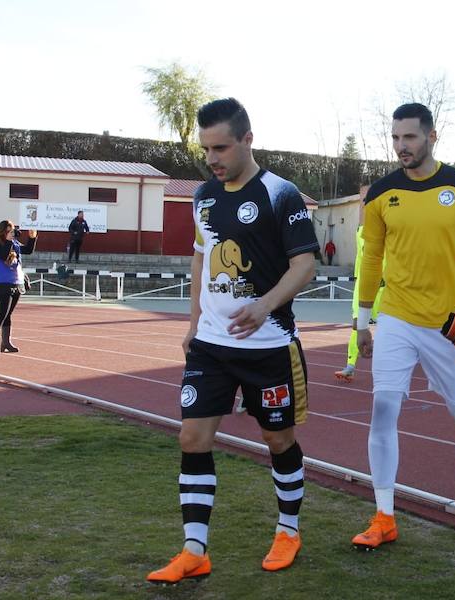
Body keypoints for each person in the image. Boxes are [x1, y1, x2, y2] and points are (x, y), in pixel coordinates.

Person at [146, 98, 319, 583]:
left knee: (278, 439)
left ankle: (288, 529)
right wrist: (194, 321)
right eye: (206, 149)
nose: (212, 158)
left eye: (220, 147)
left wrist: (264, 305)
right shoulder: (203, 195)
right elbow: (202, 259)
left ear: (247, 139)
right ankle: (194, 550)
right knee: (192, 437)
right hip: (211, 346)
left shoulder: (281, 193)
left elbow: (305, 264)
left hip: (270, 346)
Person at [352, 103, 455, 549]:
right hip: (396, 315)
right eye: (396, 138)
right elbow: (372, 260)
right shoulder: (381, 193)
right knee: (383, 410)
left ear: (432, 137)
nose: (401, 146)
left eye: (410, 138)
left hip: (450, 324)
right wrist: (363, 322)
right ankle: (384, 516)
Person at [334, 207, 384, 383]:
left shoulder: (395, 233)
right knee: (357, 325)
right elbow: (361, 260)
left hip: (387, 290)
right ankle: (350, 366)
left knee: (390, 328)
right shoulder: (360, 232)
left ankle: (392, 365)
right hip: (363, 287)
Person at [0, 222, 37, 353]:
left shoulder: (14, 243)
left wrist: (32, 238)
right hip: (3, 280)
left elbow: (27, 250)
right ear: (2, 231)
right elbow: (3, 255)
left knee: (8, 314)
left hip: (16, 280)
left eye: (12, 230)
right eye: (8, 231)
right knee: (2, 312)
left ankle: (6, 342)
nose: (12, 233)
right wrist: (9, 240)